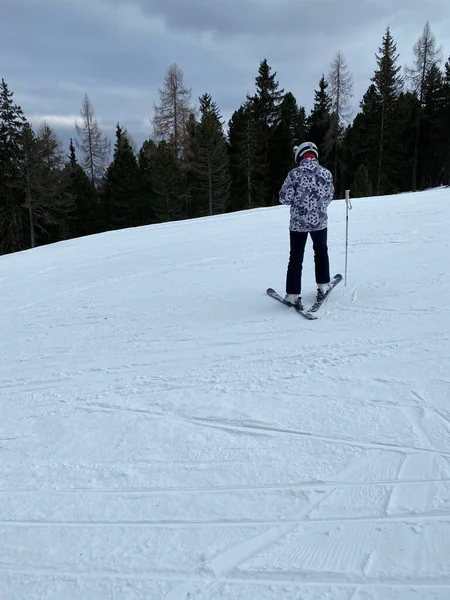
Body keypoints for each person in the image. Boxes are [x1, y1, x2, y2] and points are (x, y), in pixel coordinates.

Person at [278, 141, 334, 310]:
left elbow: (283, 198)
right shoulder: (326, 173)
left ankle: (293, 295)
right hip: (320, 222)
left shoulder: (294, 174)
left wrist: (299, 202)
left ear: (300, 156)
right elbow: (329, 196)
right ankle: (323, 285)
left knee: (296, 257)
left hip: (298, 224)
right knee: (321, 251)